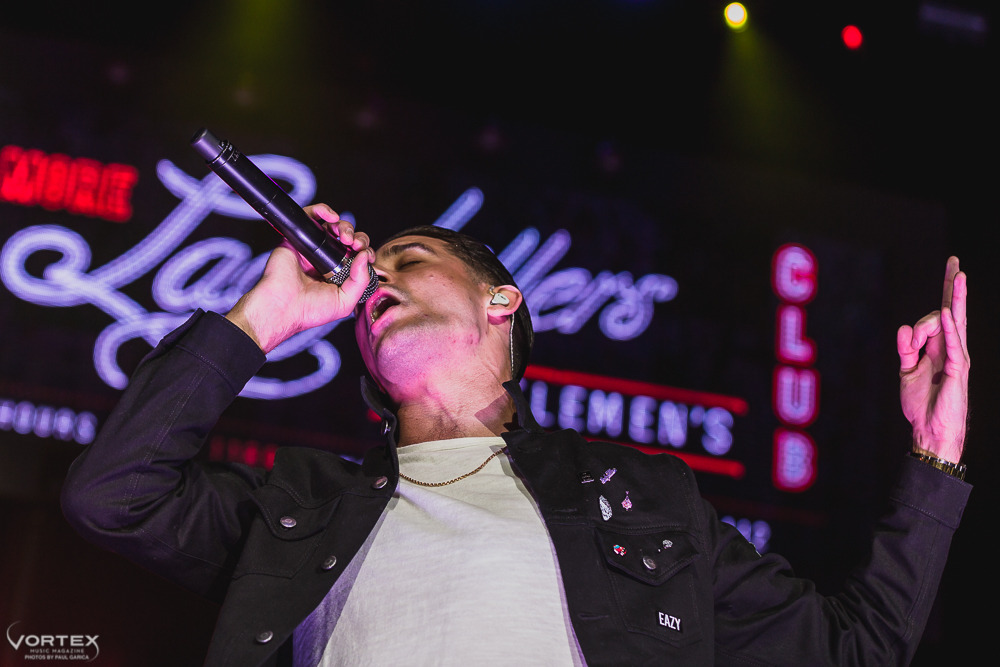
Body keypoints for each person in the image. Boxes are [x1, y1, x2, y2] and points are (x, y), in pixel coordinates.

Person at [61, 204, 971, 666]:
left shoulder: (641, 497)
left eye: (406, 262)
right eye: (363, 282)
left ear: (503, 301)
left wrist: (935, 456)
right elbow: (113, 494)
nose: (373, 282)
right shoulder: (303, 506)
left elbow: (860, 649)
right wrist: (258, 318)